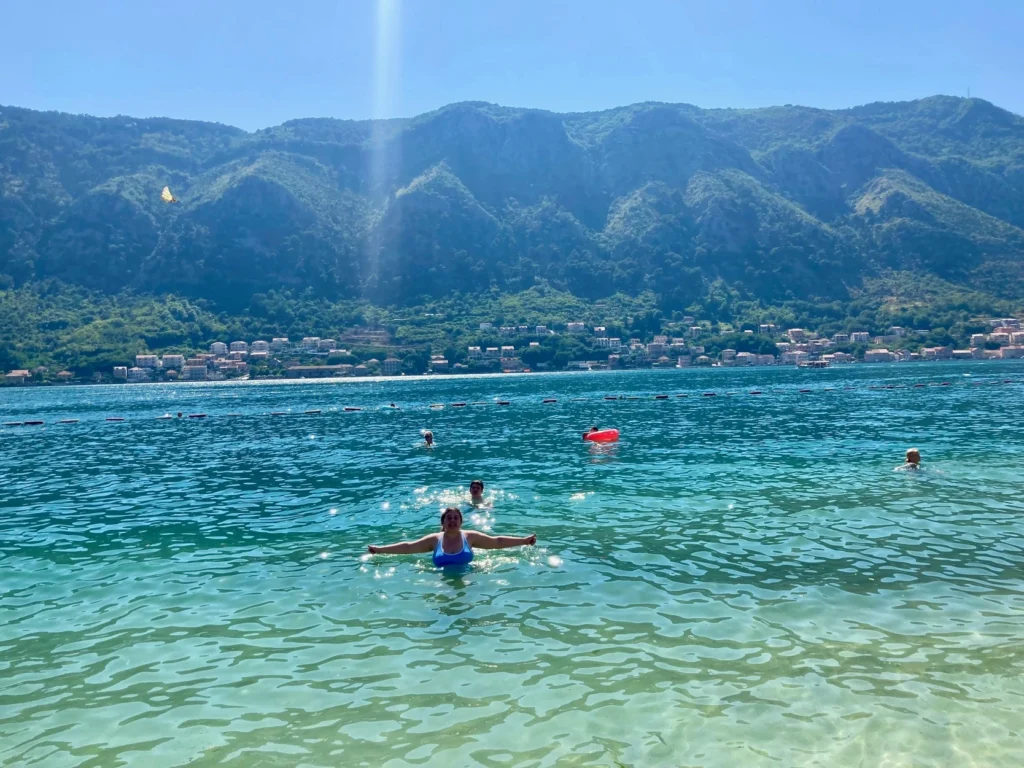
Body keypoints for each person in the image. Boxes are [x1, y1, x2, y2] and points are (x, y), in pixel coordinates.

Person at [367, 507, 536, 567]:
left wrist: (524, 541)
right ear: (443, 522)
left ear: (461, 521)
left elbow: (496, 541)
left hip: (468, 578)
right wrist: (380, 550)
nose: (453, 521)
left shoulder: (470, 537)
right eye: (449, 518)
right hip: (441, 580)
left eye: (456, 518)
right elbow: (408, 547)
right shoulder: (435, 539)